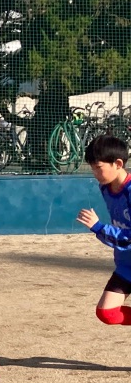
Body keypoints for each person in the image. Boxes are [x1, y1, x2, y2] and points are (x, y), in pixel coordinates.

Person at [76, 135, 131, 329]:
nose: (95, 173)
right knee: (107, 313)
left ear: (118, 163)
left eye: (98, 167)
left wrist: (99, 227)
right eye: (92, 168)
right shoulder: (106, 188)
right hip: (126, 265)